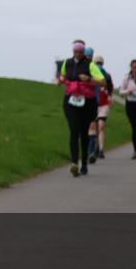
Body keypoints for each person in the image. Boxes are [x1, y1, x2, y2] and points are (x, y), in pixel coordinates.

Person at [58, 41, 106, 177]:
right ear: (73, 52)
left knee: (84, 134)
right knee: (74, 130)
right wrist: (60, 80)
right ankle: (74, 163)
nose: (77, 54)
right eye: (75, 52)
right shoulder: (67, 63)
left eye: (80, 52)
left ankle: (84, 163)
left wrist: (89, 79)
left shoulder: (90, 65)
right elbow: (63, 75)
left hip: (87, 103)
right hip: (71, 101)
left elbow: (102, 82)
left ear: (83, 53)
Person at [90, 54, 113, 162]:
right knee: (93, 127)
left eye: (100, 63)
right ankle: (94, 147)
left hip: (103, 104)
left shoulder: (107, 75)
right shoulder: (91, 74)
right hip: (93, 103)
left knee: (101, 126)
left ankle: (101, 150)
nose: (99, 64)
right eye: (97, 63)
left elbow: (110, 88)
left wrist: (109, 96)